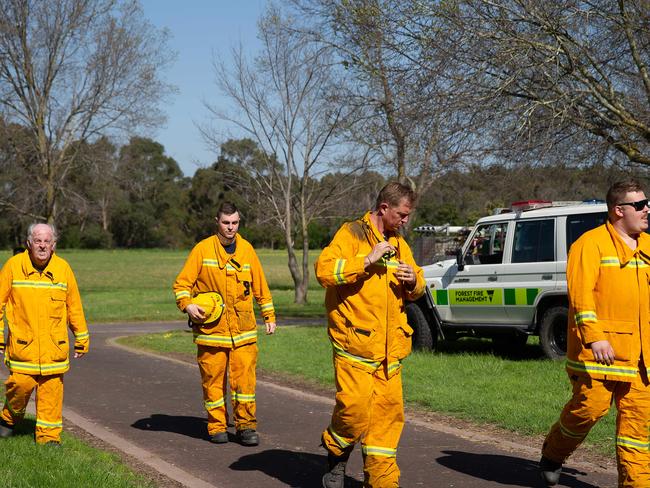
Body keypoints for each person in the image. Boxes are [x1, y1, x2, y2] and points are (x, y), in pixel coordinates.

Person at [540, 180, 650, 487]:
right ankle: (553, 453)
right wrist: (595, 336)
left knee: (636, 434)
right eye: (639, 205)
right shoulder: (590, 245)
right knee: (588, 410)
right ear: (618, 210)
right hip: (600, 354)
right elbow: (581, 297)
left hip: (642, 361)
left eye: (647, 203)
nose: (647, 209)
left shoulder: (648, 247)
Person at [315, 182, 426, 488]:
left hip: (391, 355)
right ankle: (336, 453)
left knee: (387, 423)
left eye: (408, 215)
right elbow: (324, 271)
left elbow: (419, 286)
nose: (405, 221)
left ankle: (382, 482)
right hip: (355, 348)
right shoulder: (351, 234)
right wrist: (366, 259)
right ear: (384, 209)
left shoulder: (399, 243)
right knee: (353, 414)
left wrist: (412, 279)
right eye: (402, 214)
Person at [173, 202, 276, 446]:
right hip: (212, 333)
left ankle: (246, 427)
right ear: (217, 222)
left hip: (244, 332)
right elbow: (181, 285)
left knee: (245, 383)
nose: (230, 228)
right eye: (226, 223)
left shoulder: (247, 250)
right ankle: (216, 425)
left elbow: (261, 286)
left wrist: (269, 316)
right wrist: (187, 305)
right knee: (213, 381)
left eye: (235, 223)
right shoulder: (202, 250)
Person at [0, 223, 90, 445]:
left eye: (46, 241)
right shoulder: (13, 266)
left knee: (51, 393)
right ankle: (9, 417)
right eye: (38, 241)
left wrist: (81, 337)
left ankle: (48, 438)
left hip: (54, 348)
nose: (42, 245)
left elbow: (74, 306)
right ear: (29, 243)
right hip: (23, 347)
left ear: (54, 244)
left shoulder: (63, 269)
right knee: (20, 385)